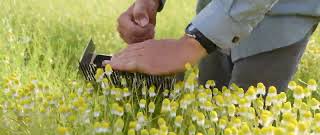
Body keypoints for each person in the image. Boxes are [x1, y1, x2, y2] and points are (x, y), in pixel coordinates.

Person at [105, 0, 320, 92]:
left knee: (246, 132)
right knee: (209, 113)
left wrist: (194, 43)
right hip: (213, 11)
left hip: (279, 18)